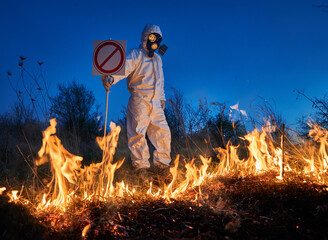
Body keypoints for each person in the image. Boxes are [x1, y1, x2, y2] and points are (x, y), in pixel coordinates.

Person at [101, 24, 171, 171]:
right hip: (140, 100)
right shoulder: (136, 54)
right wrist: (111, 78)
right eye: (152, 37)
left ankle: (162, 167)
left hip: (156, 103)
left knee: (163, 133)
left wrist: (162, 98)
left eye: (158, 38)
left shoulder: (158, 59)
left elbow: (160, 79)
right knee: (138, 134)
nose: (155, 41)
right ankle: (141, 169)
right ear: (145, 37)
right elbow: (124, 68)